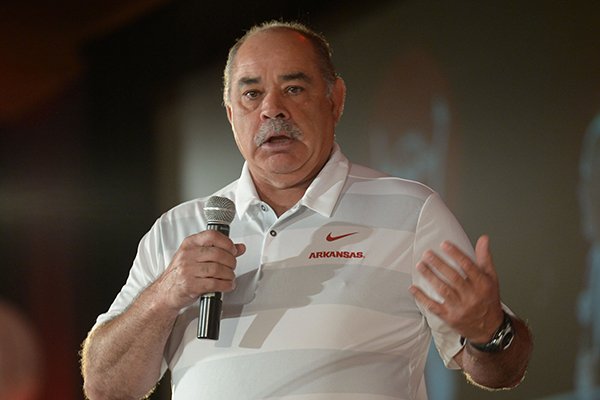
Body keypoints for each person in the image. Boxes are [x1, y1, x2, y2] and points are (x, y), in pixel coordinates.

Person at [80, 20, 533, 400]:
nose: (272, 110)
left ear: (334, 100)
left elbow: (502, 371)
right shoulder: (177, 229)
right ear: (230, 112)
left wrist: (489, 331)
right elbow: (105, 385)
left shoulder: (410, 212)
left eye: (293, 88)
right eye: (251, 94)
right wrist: (167, 293)